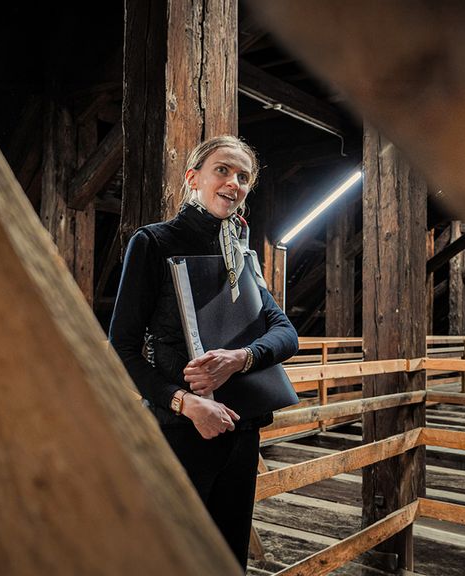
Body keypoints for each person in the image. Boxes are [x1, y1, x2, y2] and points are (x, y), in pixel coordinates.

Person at [109, 135, 299, 570]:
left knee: (228, 556)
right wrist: (185, 403)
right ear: (194, 177)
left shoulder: (242, 256)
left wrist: (241, 358)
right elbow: (121, 347)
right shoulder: (154, 243)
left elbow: (286, 333)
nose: (234, 182)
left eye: (243, 176)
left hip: (241, 428)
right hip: (182, 429)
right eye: (223, 170)